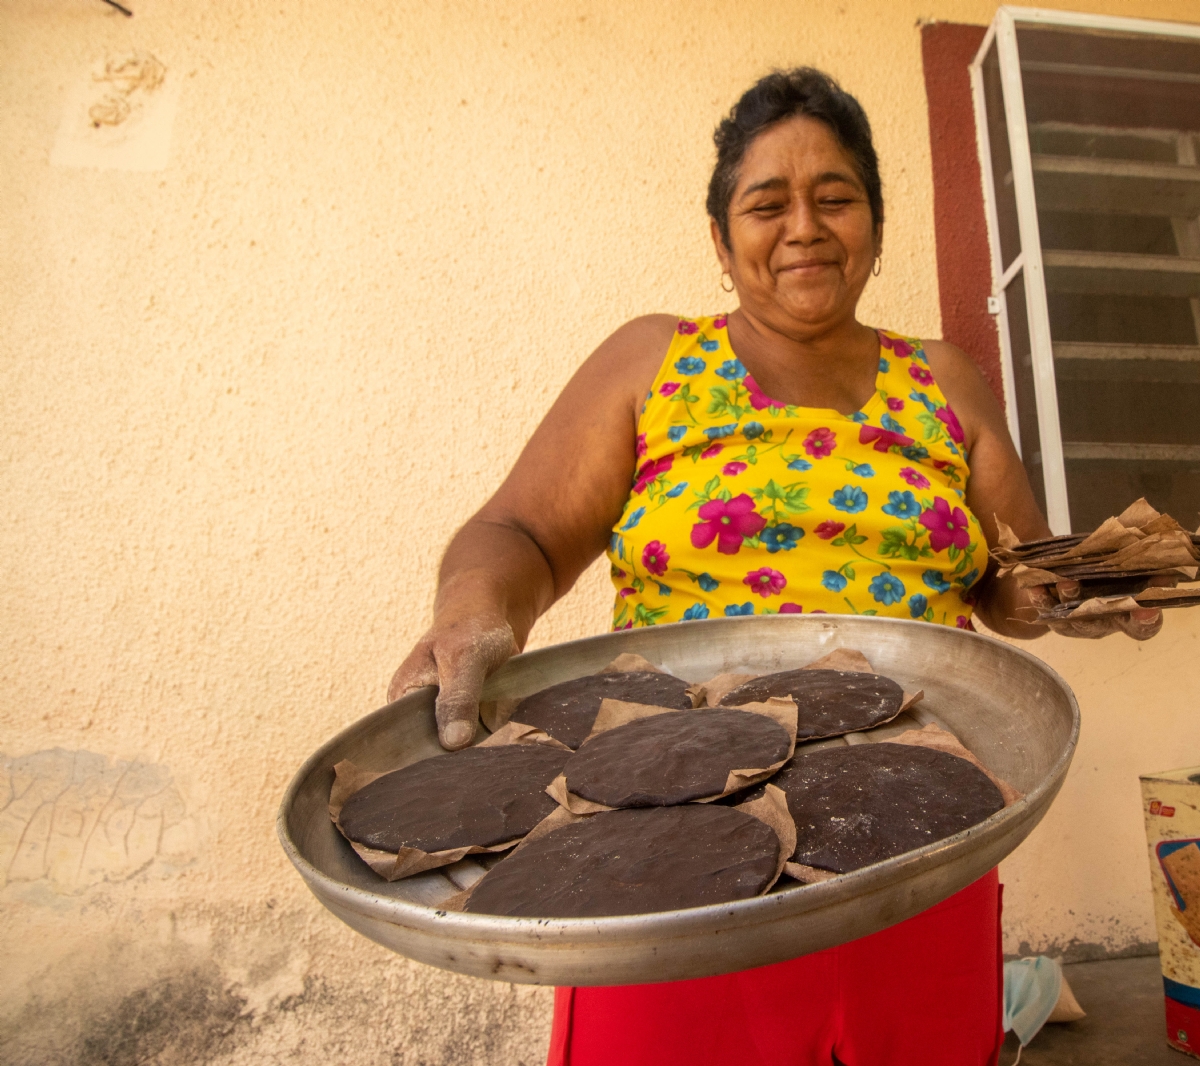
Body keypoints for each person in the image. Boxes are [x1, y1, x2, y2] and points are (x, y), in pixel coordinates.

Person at [389, 68, 1161, 1066]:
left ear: (874, 225)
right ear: (722, 241)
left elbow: (1008, 577)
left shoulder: (944, 378)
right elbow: (522, 535)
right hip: (670, 816)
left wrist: (1071, 593)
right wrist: (472, 606)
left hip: (913, 816)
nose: (804, 226)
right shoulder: (653, 361)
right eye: (767, 203)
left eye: (834, 196)